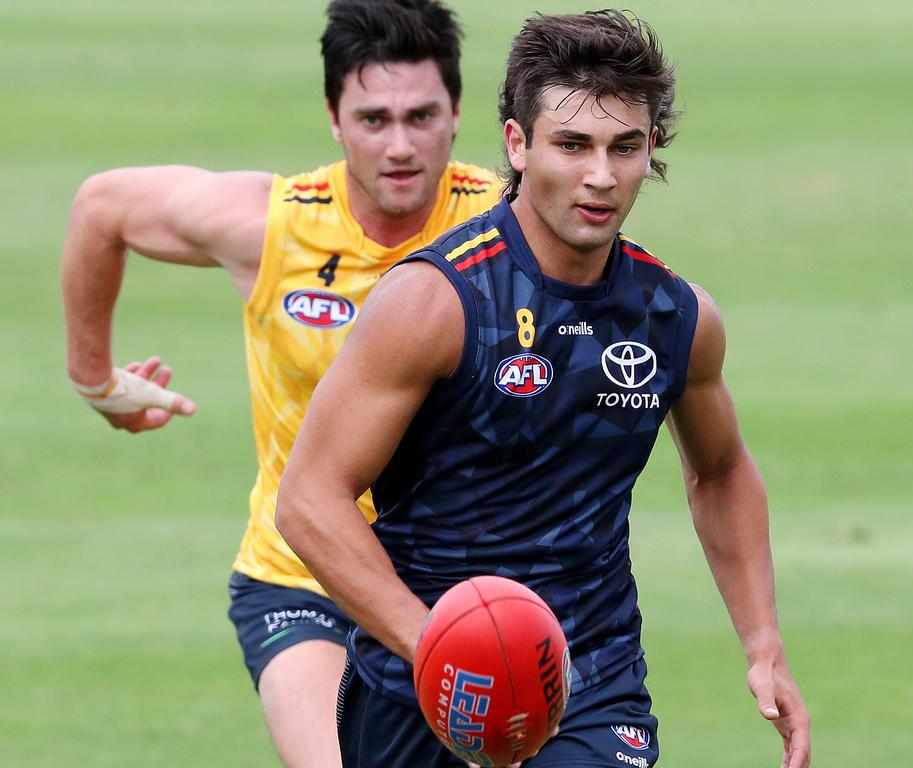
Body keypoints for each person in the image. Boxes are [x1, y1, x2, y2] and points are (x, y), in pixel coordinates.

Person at [276, 8, 810, 768]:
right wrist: (438, 648)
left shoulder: (676, 318)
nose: (601, 176)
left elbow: (720, 471)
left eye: (625, 147)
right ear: (517, 144)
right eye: (572, 144)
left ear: (651, 149)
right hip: (417, 695)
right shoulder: (434, 303)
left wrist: (764, 644)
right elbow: (309, 498)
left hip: (590, 687)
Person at [59, 1, 500, 765]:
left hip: (464, 585)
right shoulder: (276, 225)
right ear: (333, 117)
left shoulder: (507, 222)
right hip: (301, 578)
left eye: (421, 115)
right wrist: (96, 381)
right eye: (373, 119)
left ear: (457, 111)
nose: (399, 145)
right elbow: (103, 207)